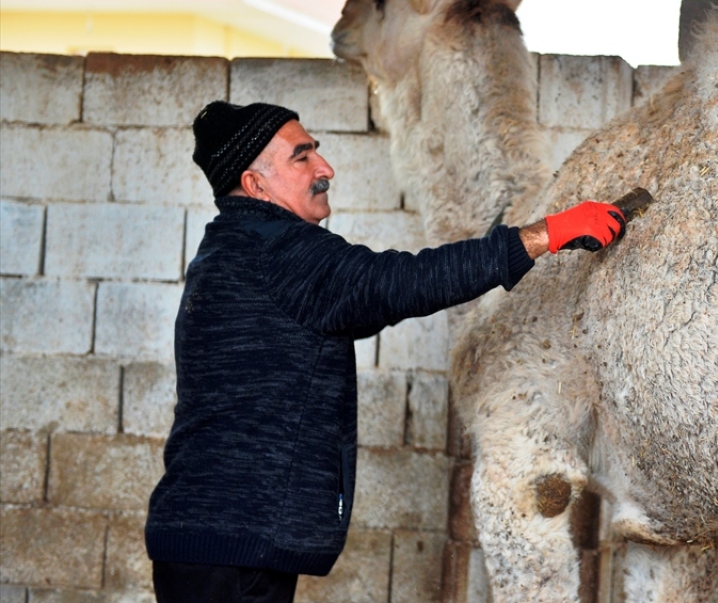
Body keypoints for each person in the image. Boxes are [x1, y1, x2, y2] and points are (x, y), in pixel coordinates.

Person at [145, 101, 626, 602]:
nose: (324, 169)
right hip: (231, 550)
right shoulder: (276, 251)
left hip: (215, 541)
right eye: (301, 157)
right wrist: (546, 234)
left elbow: (377, 292)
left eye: (318, 154)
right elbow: (401, 281)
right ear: (255, 185)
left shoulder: (232, 247)